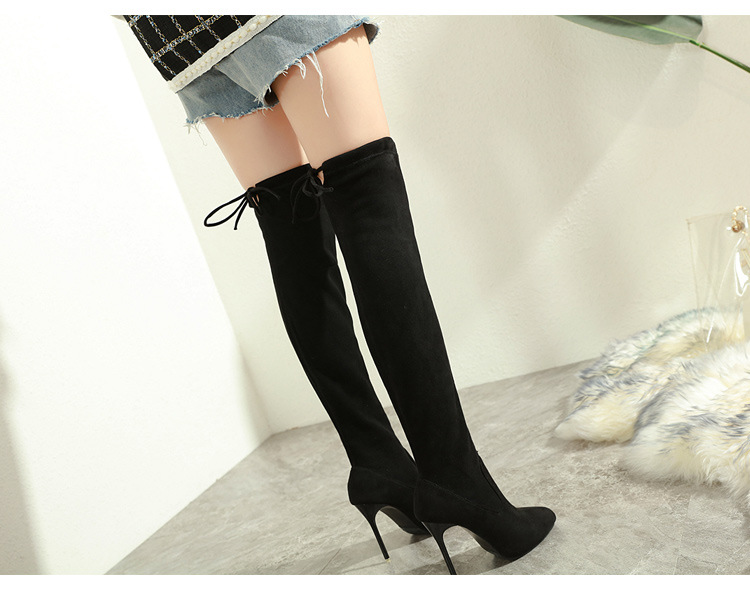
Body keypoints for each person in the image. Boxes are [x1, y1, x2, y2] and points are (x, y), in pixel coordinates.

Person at [122, 14, 555, 575]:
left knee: (288, 222)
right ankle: (456, 479)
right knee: (367, 194)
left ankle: (378, 461)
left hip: (167, 24)